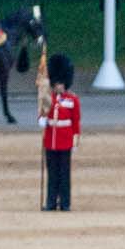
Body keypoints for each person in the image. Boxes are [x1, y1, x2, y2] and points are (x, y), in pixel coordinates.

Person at [39, 51, 79, 211]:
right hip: (51, 140)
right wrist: (42, 120)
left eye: (61, 83)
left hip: (65, 141)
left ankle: (65, 203)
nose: (59, 86)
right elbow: (42, 113)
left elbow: (75, 123)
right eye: (56, 83)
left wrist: (75, 142)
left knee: (64, 173)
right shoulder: (48, 99)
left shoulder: (72, 100)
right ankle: (50, 202)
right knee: (52, 173)